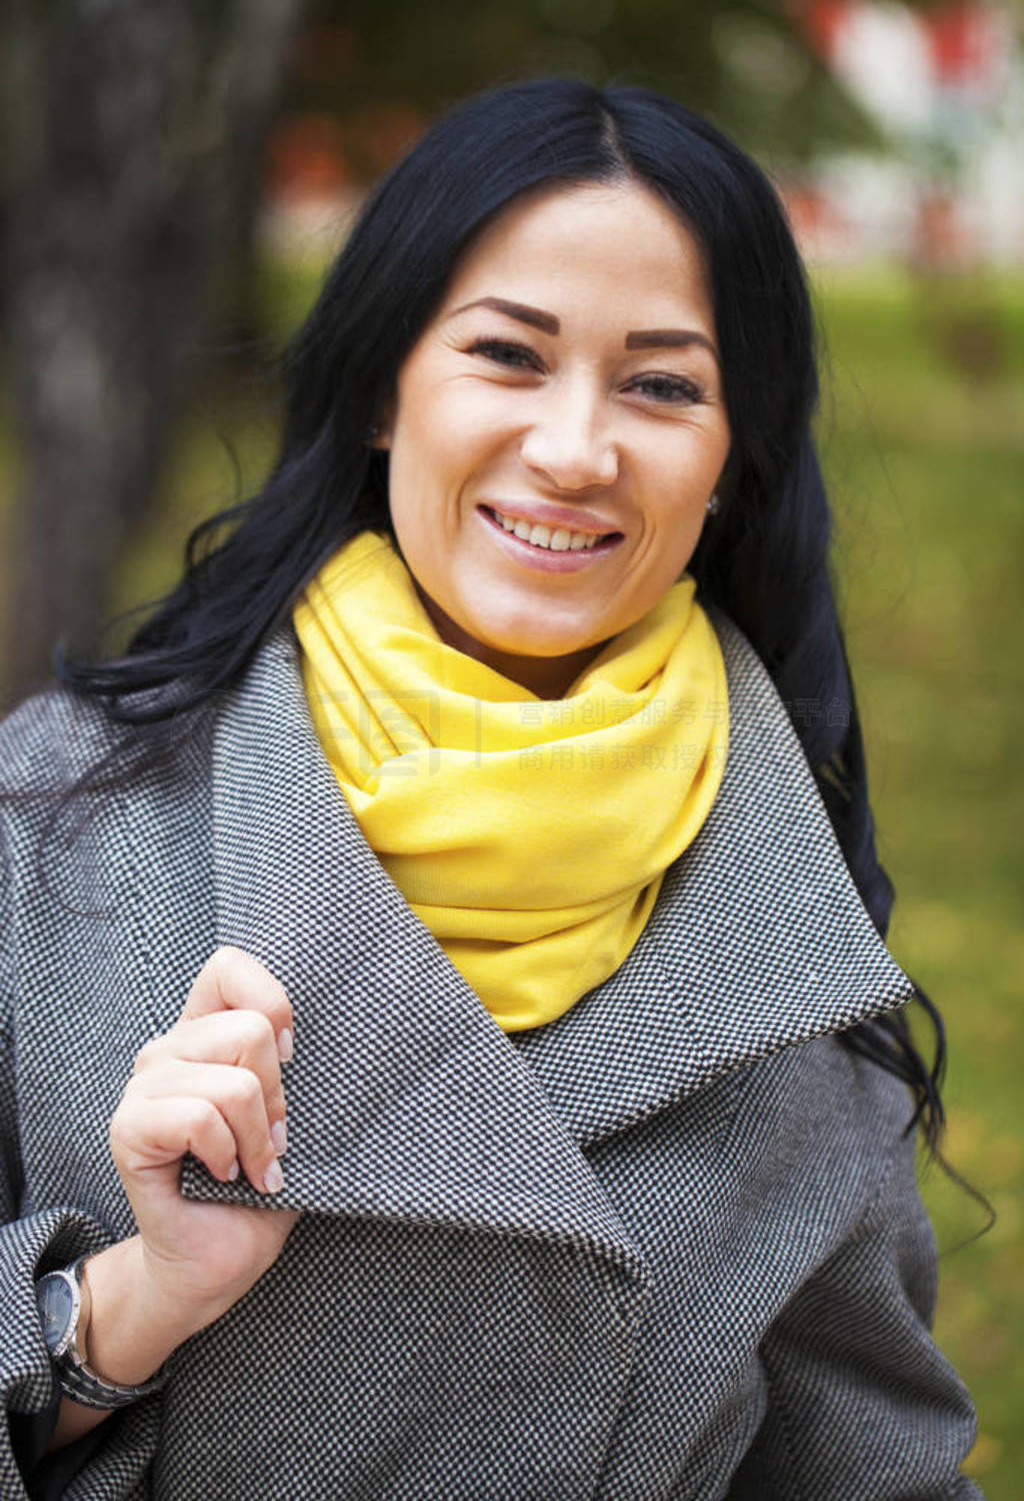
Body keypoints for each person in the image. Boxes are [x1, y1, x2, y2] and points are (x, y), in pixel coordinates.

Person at [1, 79, 981, 1499]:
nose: (577, 451)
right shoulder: (57, 821)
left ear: (727, 462)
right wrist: (137, 1301)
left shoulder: (789, 939)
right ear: (385, 389)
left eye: (662, 384)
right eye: (509, 356)